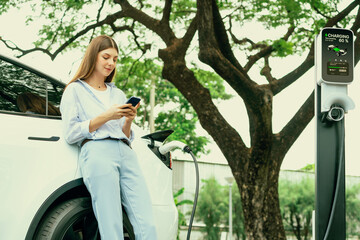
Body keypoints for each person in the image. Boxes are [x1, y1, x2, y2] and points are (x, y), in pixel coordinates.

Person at [60, 35, 157, 240]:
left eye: (115, 59)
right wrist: (107, 116)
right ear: (93, 56)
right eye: (106, 57)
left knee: (145, 219)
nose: (111, 63)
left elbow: (123, 134)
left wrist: (129, 120)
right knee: (110, 221)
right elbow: (71, 133)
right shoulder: (75, 90)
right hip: (97, 151)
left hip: (125, 151)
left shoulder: (118, 94)